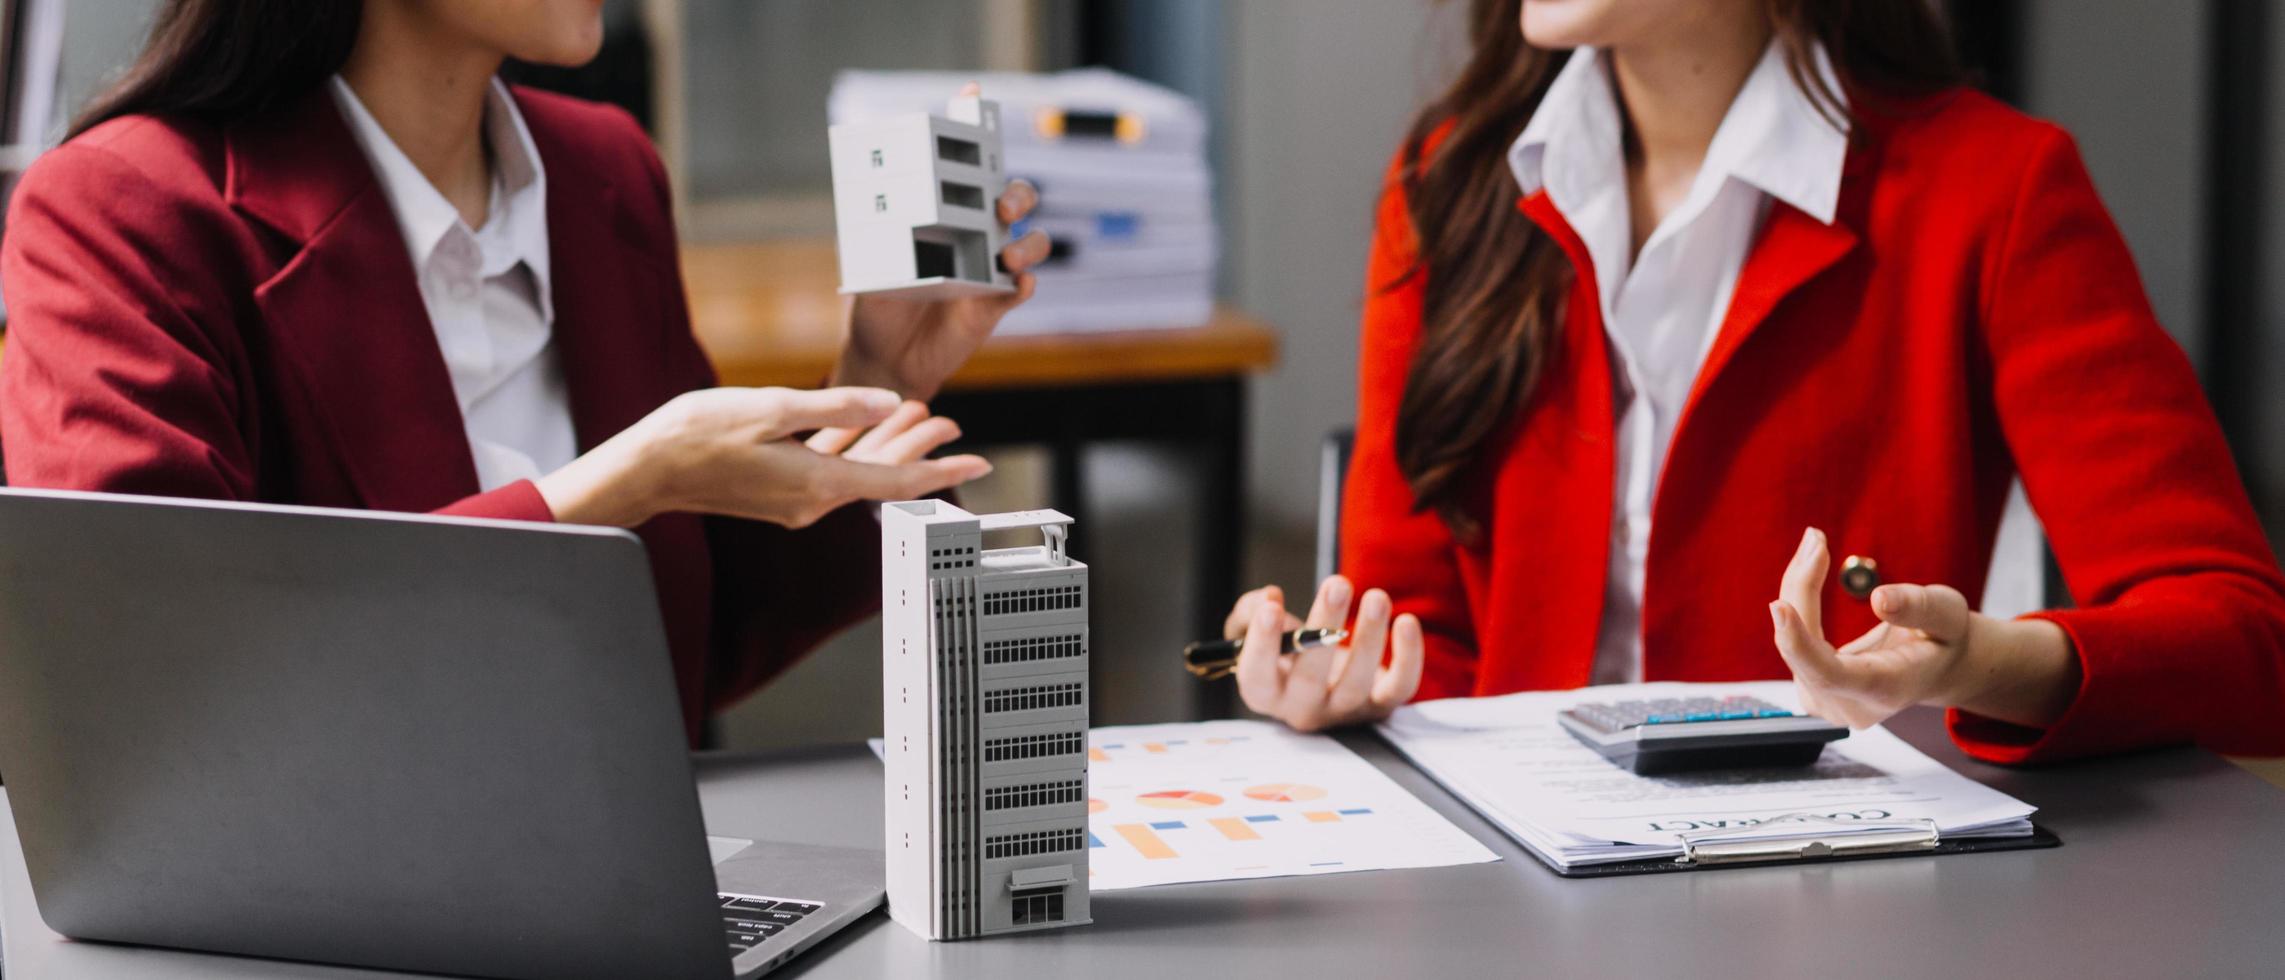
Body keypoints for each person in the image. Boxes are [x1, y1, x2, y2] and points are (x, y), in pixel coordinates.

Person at [1223, 0, 2285, 762]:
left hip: (1838, 902)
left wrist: (1986, 663)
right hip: (1507, 892)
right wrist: (1334, 677)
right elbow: (1410, 633)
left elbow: (2243, 642)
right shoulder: (1449, 181)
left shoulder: (1993, 191)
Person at [0, 0, 1051, 742]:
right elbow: (151, 686)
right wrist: (614, 487)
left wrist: (876, 374)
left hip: (626, 887)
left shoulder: (605, 174)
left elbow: (694, 641)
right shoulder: (117, 209)